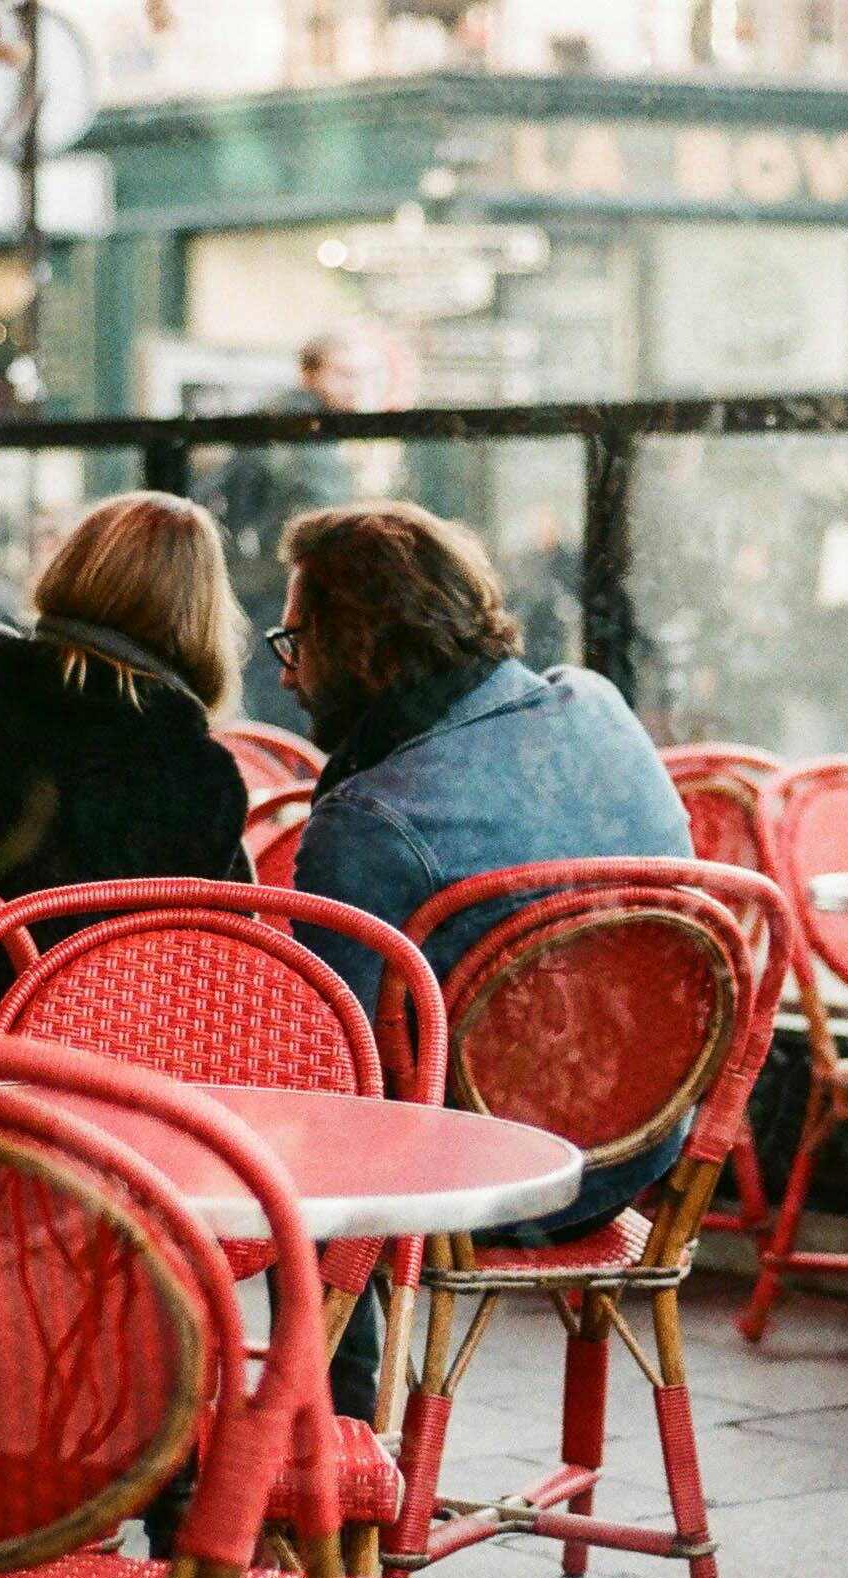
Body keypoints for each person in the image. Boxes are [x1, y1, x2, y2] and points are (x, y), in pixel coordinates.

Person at [276, 500, 695, 1423]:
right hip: (644, 1152)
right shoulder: (598, 705)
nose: (288, 675)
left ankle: (321, 1464)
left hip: (494, 1190)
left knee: (297, 1157)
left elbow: (326, 1067)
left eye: (298, 640)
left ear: (368, 650)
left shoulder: (371, 820)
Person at [0, 491, 251, 949]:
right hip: (79, 1019)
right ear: (203, 616)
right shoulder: (205, 777)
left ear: (73, 564)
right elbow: (209, 962)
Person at [201, 334, 361, 733]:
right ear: (309, 374)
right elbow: (316, 512)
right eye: (342, 374)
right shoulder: (304, 430)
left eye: (360, 375)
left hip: (262, 580)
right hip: (283, 582)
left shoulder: (285, 421)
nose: (354, 385)